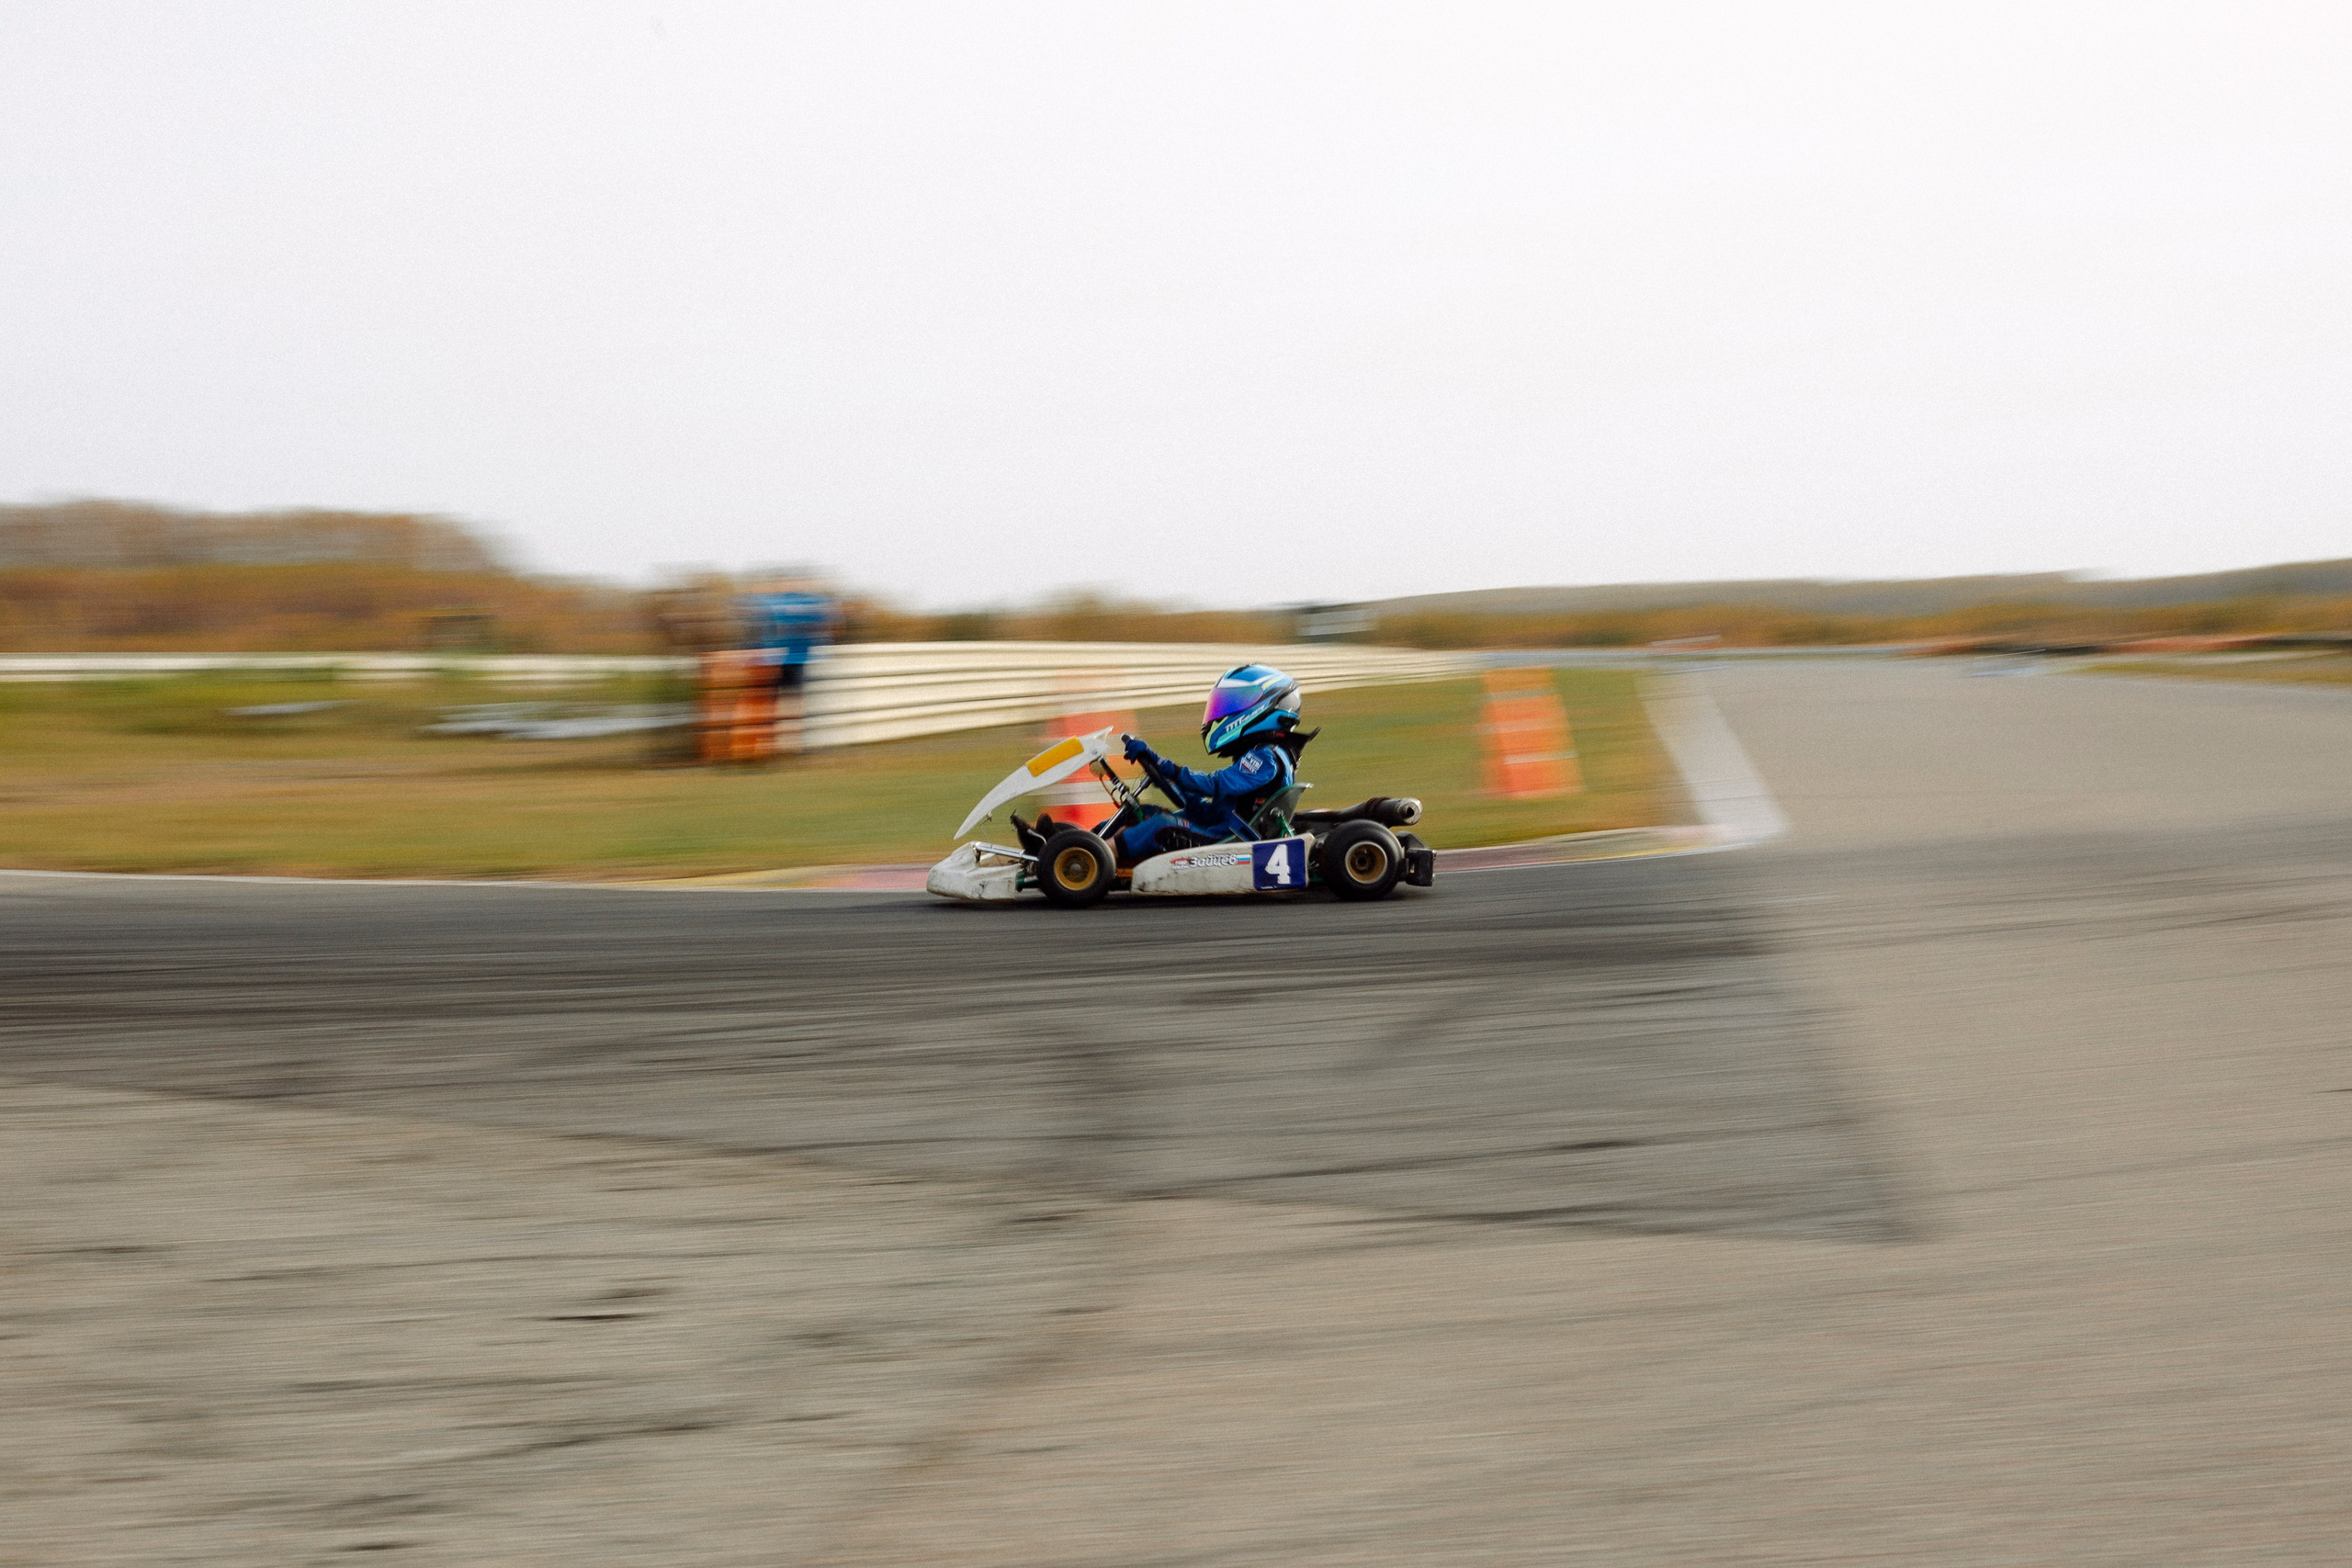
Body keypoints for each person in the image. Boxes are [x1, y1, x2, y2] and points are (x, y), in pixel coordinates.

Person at [1021, 663, 1315, 865]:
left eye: (1233, 705)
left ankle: (1085, 858)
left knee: (1160, 826)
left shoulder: (1266, 757)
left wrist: (1167, 767)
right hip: (1219, 823)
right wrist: (1159, 770)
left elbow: (1215, 784)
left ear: (1265, 708)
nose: (1222, 713)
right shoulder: (1263, 753)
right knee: (1143, 813)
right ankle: (1062, 841)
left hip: (1230, 839)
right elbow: (1208, 803)